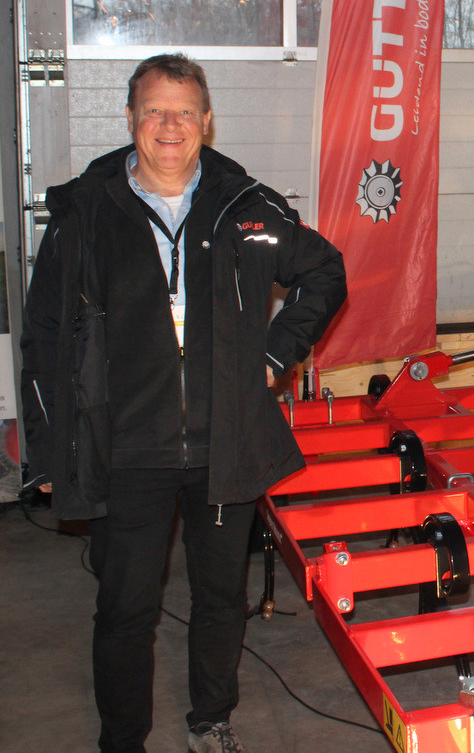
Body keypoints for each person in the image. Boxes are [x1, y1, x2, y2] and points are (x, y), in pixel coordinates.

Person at [20, 53, 347, 753]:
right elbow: (43, 334)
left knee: (221, 598)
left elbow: (325, 271)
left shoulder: (246, 208)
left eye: (184, 111)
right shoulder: (86, 213)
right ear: (131, 119)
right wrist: (46, 449)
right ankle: (123, 740)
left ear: (207, 121)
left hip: (223, 444)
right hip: (126, 447)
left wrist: (272, 356)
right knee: (125, 608)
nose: (170, 125)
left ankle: (210, 720)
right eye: (154, 110)